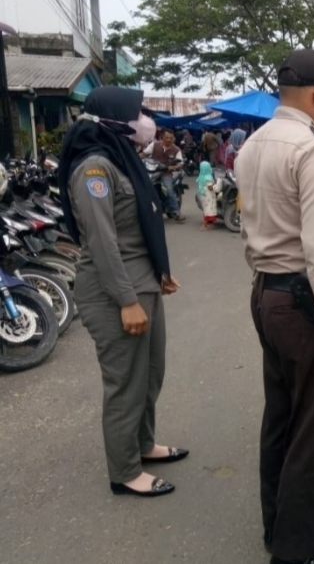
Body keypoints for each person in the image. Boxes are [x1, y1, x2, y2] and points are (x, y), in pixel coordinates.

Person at [236, 48, 314, 564]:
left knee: (282, 419)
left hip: (267, 293)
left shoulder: (252, 145)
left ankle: (281, 524)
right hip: (307, 301)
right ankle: (297, 553)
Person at [58, 86, 185, 498]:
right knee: (125, 383)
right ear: (114, 118)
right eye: (137, 112)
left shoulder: (121, 159)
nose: (144, 120)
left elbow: (140, 224)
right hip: (114, 293)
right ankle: (125, 471)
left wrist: (159, 272)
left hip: (142, 283)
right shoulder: (94, 169)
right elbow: (102, 242)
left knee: (150, 375)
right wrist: (127, 301)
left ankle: (143, 444)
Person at [142, 129, 186, 221]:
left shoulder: (176, 149)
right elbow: (144, 154)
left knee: (169, 189)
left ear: (173, 138)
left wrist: (173, 167)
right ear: (162, 137)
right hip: (152, 171)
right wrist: (136, 158)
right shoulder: (154, 145)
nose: (169, 140)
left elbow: (181, 163)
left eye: (171, 138)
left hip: (166, 173)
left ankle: (176, 211)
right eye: (167, 137)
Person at [196, 161, 223, 230]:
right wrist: (217, 184)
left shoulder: (201, 176)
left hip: (203, 195)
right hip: (209, 196)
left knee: (206, 209)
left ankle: (208, 223)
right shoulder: (208, 177)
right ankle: (204, 225)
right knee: (209, 209)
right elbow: (210, 187)